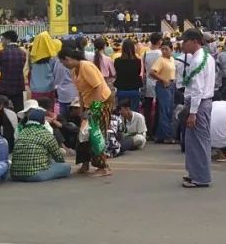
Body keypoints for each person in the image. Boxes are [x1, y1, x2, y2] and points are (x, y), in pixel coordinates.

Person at [59, 48, 113, 177]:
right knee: (83, 135)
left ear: (68, 58)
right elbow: (81, 92)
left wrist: (93, 109)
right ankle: (85, 163)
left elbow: (98, 87)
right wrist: (83, 111)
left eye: (63, 61)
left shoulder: (86, 66)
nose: (63, 65)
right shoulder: (73, 71)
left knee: (96, 134)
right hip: (89, 104)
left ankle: (103, 167)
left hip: (101, 102)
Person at [178, 29, 216, 188]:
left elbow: (197, 89)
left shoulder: (198, 59)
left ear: (194, 41)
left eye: (185, 41)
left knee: (199, 142)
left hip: (198, 104)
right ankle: (195, 173)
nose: (182, 45)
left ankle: (201, 177)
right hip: (202, 102)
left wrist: (193, 113)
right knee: (193, 141)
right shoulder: (207, 57)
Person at [10, 108, 72, 182]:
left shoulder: (22, 132)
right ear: (43, 120)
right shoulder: (45, 134)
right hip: (35, 175)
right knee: (66, 167)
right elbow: (58, 157)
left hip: (15, 174)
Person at [0, 30, 27, 112]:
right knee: (18, 110)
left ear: (8, 40)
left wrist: (3, 68)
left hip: (4, 86)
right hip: (18, 86)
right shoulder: (22, 53)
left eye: (3, 39)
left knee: (3, 111)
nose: (1, 41)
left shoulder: (1, 52)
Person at [113, 38, 143, 112]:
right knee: (134, 114)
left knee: (122, 113)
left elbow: (117, 73)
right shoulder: (138, 61)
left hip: (121, 90)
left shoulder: (117, 61)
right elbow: (138, 73)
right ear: (133, 48)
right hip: (134, 90)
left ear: (122, 48)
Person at [142, 33, 163, 136]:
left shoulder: (146, 54)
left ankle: (147, 130)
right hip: (159, 81)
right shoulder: (161, 54)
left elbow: (144, 70)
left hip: (148, 82)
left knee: (148, 107)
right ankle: (156, 130)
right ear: (159, 41)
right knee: (159, 107)